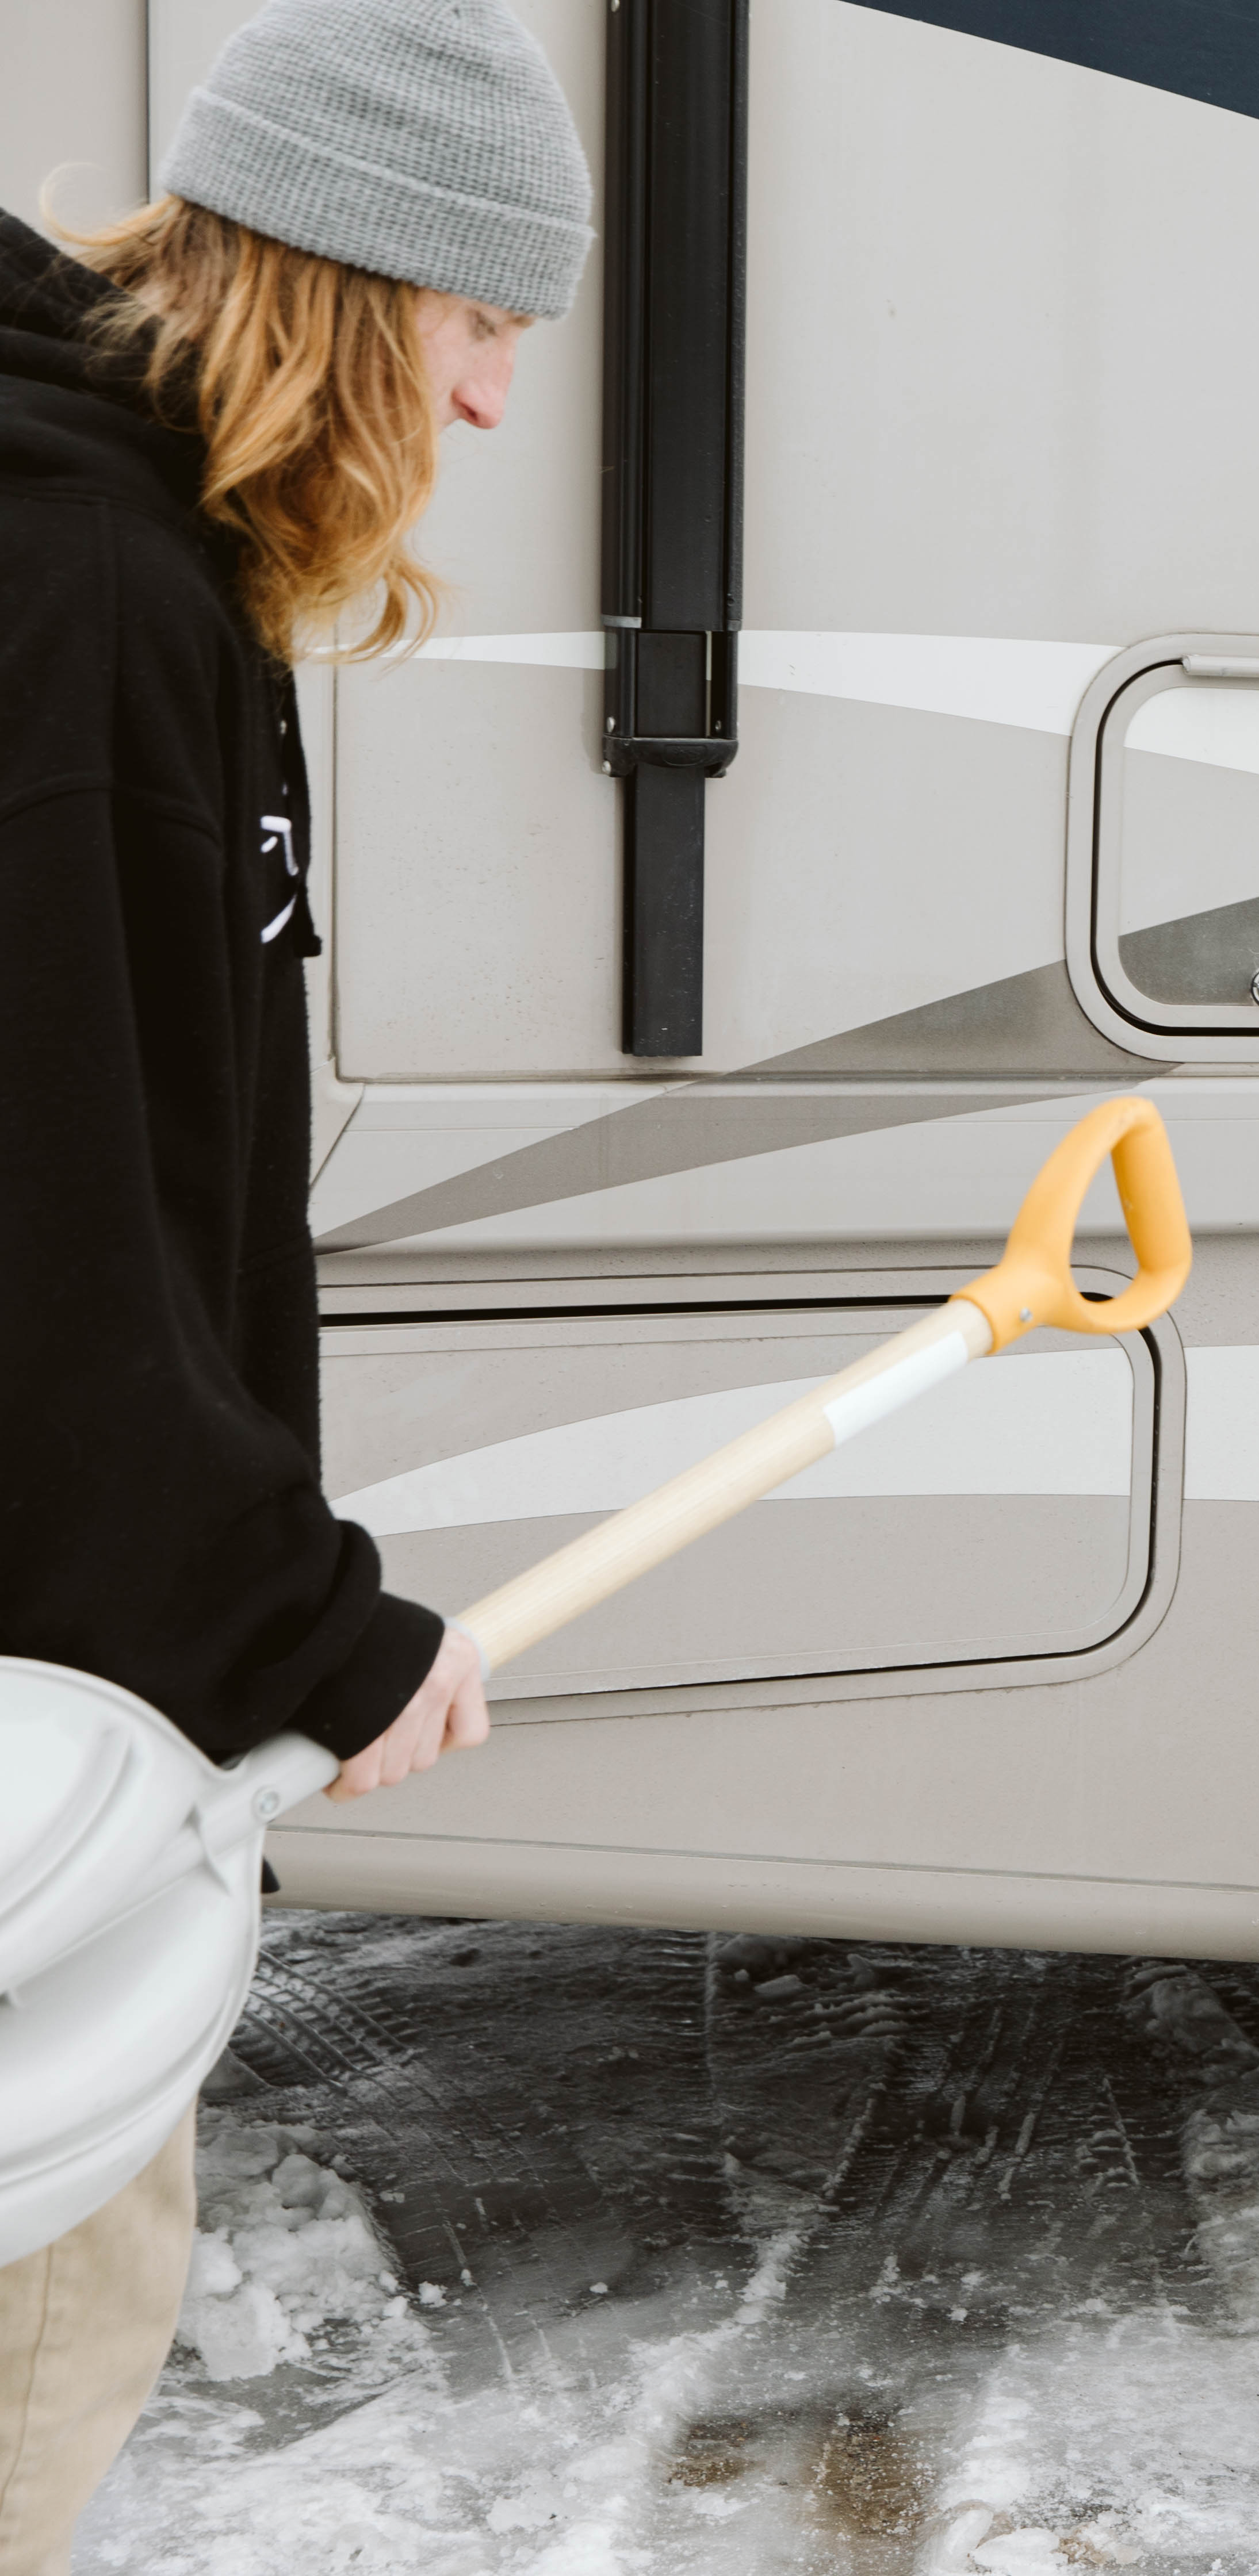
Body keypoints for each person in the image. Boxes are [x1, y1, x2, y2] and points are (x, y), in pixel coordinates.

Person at [0, 2, 589, 2562]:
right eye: (482, 329)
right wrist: (302, 1624)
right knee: (47, 2335)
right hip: (23, 1760)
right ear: (358, 287)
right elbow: (53, 1223)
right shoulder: (82, 591)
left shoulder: (105, 538)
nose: (484, 413)